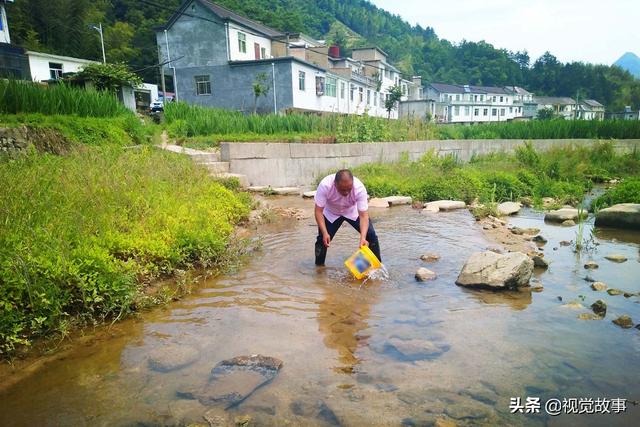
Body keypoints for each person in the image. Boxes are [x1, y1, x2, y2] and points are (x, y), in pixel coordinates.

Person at [314, 169, 381, 266]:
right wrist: (325, 232)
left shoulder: (359, 188)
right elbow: (318, 211)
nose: (346, 193)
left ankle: (376, 266)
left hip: (352, 212)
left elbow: (363, 216)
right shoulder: (325, 185)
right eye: (342, 189)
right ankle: (319, 270)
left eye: (349, 189)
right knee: (322, 240)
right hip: (331, 213)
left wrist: (362, 237)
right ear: (335, 184)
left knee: (370, 236)